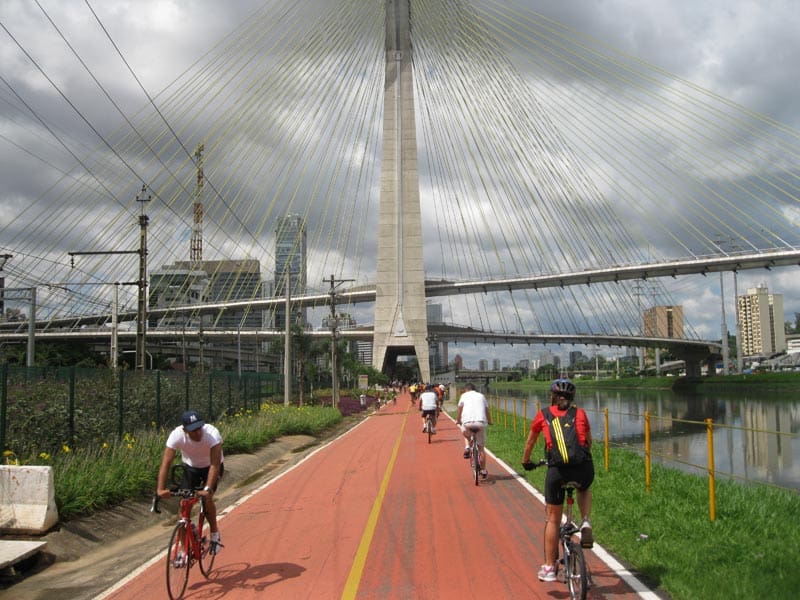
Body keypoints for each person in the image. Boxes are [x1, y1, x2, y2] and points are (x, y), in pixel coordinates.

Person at [522, 379, 594, 583]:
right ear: (572, 398)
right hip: (583, 469)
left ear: (552, 397)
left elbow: (530, 441)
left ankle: (549, 568)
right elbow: (588, 441)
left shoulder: (543, 414)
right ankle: (585, 520)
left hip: (558, 472)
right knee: (583, 487)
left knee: (553, 519)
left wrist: (526, 461)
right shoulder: (580, 414)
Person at [157, 410, 225, 555]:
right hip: (191, 468)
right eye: (193, 430)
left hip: (211, 467)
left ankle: (214, 534)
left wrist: (207, 489)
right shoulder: (176, 435)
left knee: (207, 498)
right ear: (185, 430)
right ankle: (184, 549)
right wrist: (160, 489)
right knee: (183, 505)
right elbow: (166, 463)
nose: (197, 433)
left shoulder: (212, 434)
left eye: (199, 428)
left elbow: (215, 464)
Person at [455, 382, 493, 478]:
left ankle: (468, 446)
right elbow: (486, 410)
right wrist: (490, 421)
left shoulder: (463, 396)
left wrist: (458, 420)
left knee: (464, 432)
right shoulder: (481, 396)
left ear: (465, 389)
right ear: (474, 389)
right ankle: (483, 470)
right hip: (480, 423)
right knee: (481, 448)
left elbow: (459, 409)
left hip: (467, 423)